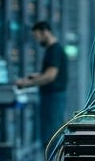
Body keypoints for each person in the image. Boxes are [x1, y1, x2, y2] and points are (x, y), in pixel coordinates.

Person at [16, 21, 68, 149]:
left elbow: (50, 76)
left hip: (53, 98)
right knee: (51, 132)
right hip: (53, 97)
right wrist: (37, 76)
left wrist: (27, 84)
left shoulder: (54, 50)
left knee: (51, 135)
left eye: (37, 36)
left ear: (45, 32)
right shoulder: (54, 49)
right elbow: (49, 73)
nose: (37, 40)